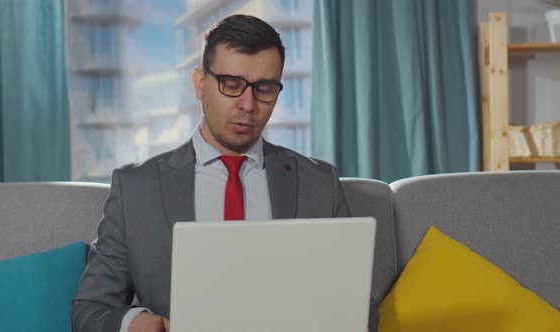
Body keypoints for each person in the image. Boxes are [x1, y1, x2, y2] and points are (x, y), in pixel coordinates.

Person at [72, 14, 375, 332]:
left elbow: (359, 308)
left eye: (265, 88)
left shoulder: (320, 182)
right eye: (232, 85)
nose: (248, 104)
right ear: (200, 84)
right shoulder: (136, 189)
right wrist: (135, 323)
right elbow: (90, 309)